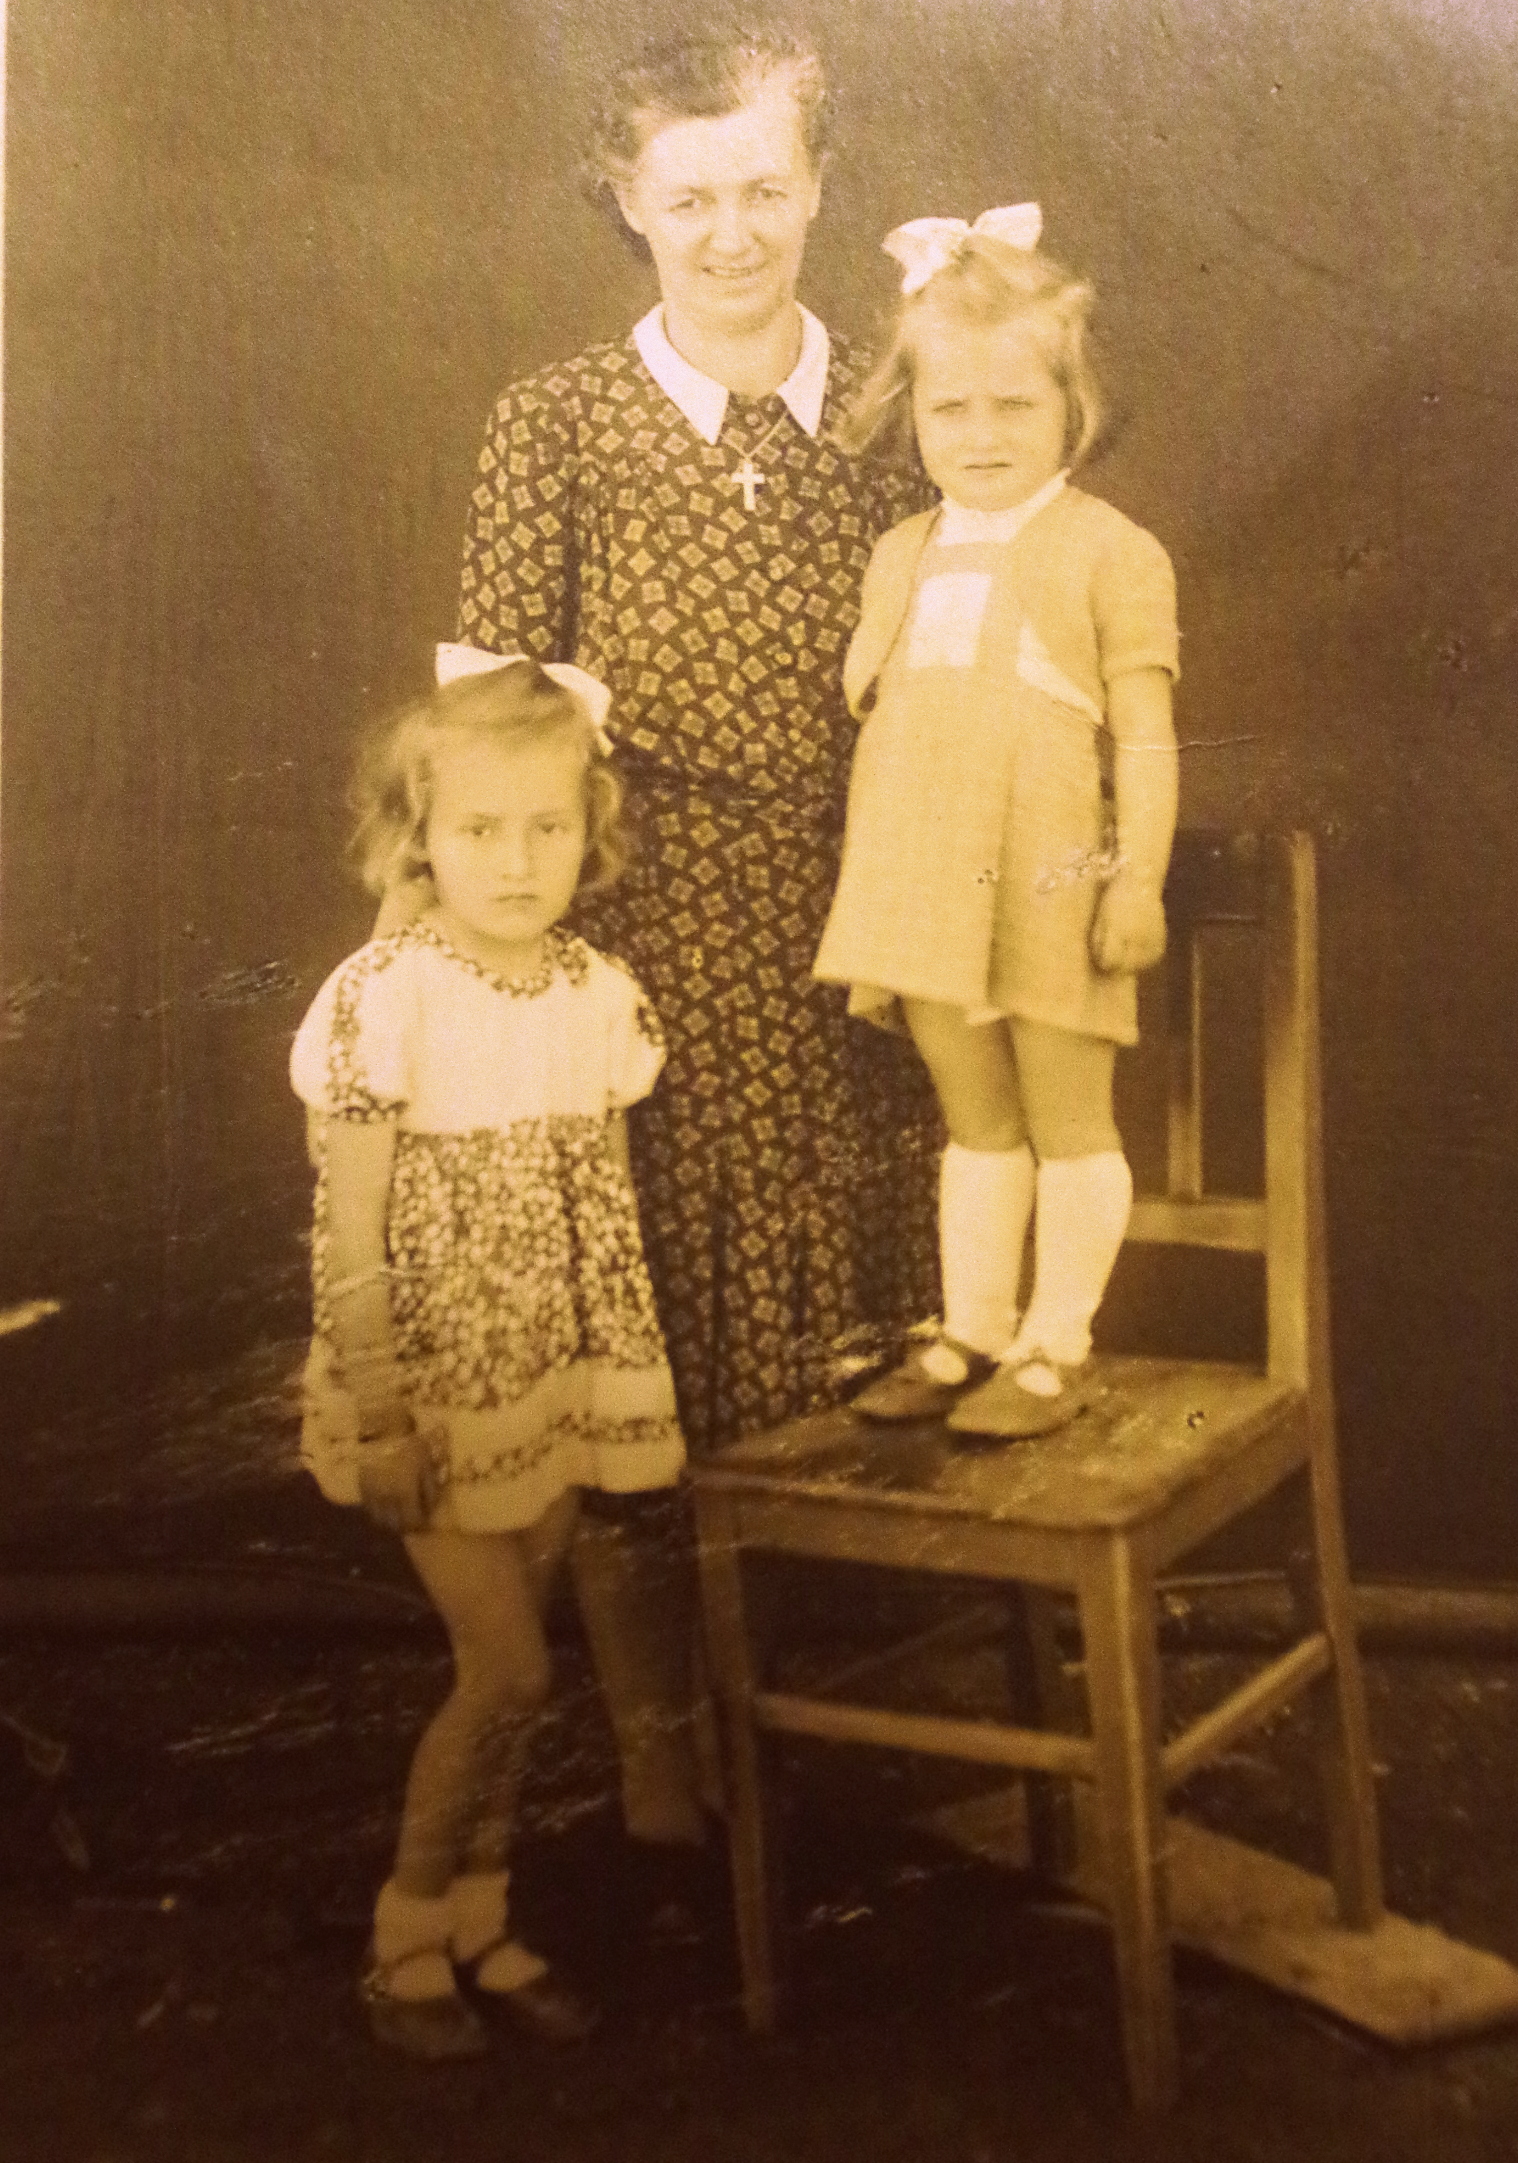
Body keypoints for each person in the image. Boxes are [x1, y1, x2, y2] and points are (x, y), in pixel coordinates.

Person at [451, 25, 941, 1904]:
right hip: (637, 959)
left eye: (762, 188)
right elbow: (494, 727)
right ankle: (670, 1762)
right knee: (643, 1352)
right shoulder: (555, 420)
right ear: (628, 205)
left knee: (860, 1334)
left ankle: (822, 1730)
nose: (729, 232)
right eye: (687, 198)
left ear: (813, 188)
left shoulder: (899, 400)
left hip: (862, 941)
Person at [291, 650, 685, 2059]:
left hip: (556, 1375)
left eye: (547, 828)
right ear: (420, 838)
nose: (517, 862)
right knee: (508, 1670)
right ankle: (404, 1934)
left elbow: (586, 1200)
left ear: (591, 831)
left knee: (525, 1672)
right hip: (432, 1389)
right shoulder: (384, 993)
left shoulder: (596, 992)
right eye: (477, 829)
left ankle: (483, 1917)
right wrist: (384, 1412)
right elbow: (348, 1230)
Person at [815, 204, 1180, 1439]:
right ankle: (971, 1330)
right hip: (925, 878)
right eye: (950, 408)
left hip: (1051, 881)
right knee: (973, 1120)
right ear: (912, 414)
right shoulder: (899, 553)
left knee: (1067, 1121)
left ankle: (1055, 1340)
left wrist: (1136, 881)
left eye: (1015, 406)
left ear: (1073, 407)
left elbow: (1145, 739)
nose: (980, 436)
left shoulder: (1112, 551)